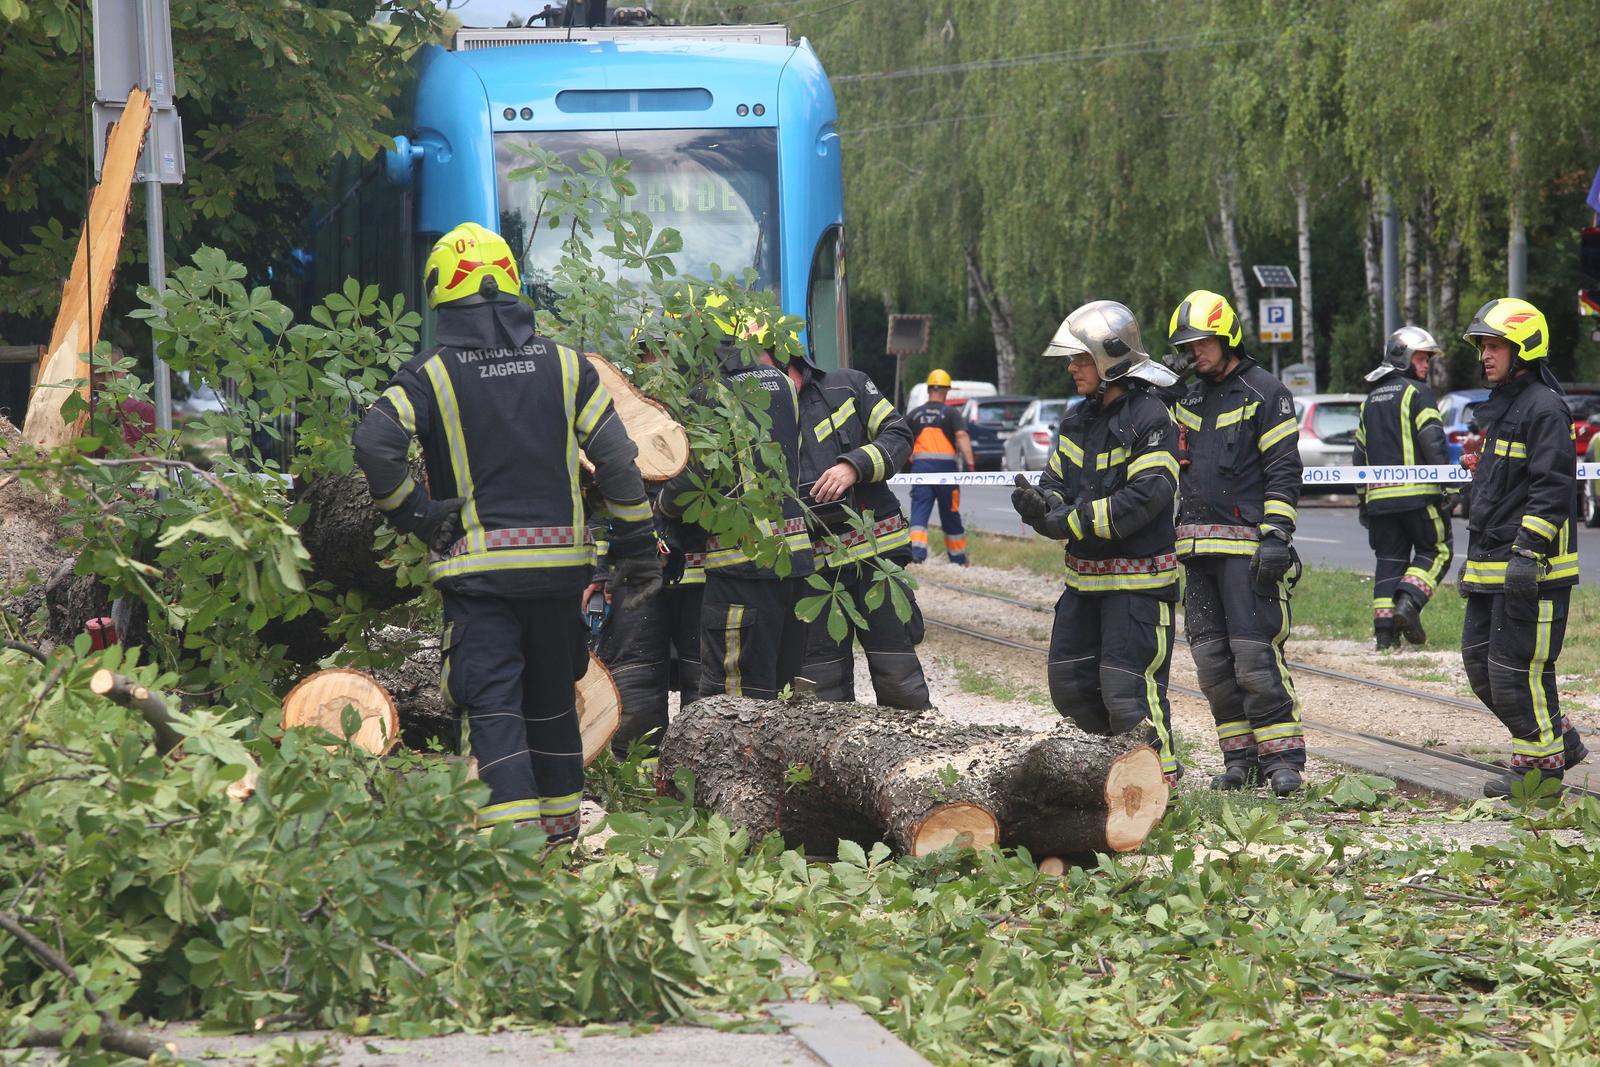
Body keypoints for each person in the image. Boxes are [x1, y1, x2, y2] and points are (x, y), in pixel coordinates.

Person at [353, 222, 661, 840]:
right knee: (552, 703)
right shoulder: (569, 368)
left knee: (493, 707)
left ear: (442, 294)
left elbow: (374, 443)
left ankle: (511, 856)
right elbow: (621, 460)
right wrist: (634, 546)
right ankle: (558, 842)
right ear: (513, 284)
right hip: (558, 580)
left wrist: (417, 514)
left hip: (481, 582)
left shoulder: (430, 375)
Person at [1012, 301, 1184, 786]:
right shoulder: (1077, 420)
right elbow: (1058, 481)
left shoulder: (1152, 417)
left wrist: (1073, 520)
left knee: (1128, 692)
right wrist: (1040, 503)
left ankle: (1160, 784)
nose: (1071, 369)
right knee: (1069, 686)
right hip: (1083, 585)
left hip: (1138, 586)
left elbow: (1146, 497)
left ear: (1110, 362)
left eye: (1080, 359)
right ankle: (1114, 777)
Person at [1167, 289, 1306, 796]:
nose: (1194, 352)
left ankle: (1283, 762)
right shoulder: (1189, 395)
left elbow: (1284, 470)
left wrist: (1277, 533)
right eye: (1188, 345)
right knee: (1212, 665)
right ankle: (1239, 759)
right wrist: (1159, 388)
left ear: (1226, 337)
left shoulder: (1266, 391)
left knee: (1255, 659)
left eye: (1201, 342)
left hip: (1249, 551)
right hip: (1197, 551)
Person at [1458, 297, 1587, 797]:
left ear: (1524, 349)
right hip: (1491, 563)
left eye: (1496, 347)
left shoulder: (1545, 407)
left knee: (1517, 673)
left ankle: (1541, 774)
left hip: (1531, 567)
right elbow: (1513, 482)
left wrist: (1529, 551)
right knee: (1481, 669)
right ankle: (1561, 741)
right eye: (1484, 347)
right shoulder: (1507, 406)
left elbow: (1553, 487)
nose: (1486, 356)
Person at [657, 308, 814, 700]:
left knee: (735, 697)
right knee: (782, 689)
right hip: (791, 560)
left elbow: (692, 479)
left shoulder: (708, 394)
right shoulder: (781, 382)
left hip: (741, 566)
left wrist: (661, 506)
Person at [587, 317, 705, 766]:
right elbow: (595, 501)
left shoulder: (707, 411)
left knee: (703, 684)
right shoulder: (616, 411)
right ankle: (635, 782)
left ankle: (698, 779)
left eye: (664, 352)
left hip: (699, 568)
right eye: (648, 354)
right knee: (635, 679)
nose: (657, 363)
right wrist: (599, 573)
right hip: (633, 572)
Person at [789, 347, 929, 708]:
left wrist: (853, 466)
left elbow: (898, 435)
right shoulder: (760, 413)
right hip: (816, 574)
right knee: (821, 689)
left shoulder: (848, 385)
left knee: (898, 677)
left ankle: (917, 756)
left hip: (876, 559)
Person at [1354, 327, 1455, 650]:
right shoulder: (1418, 393)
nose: (1426, 366)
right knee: (1438, 550)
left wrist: (1362, 502)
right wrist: (1447, 485)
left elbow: (1358, 457)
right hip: (1418, 495)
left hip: (1379, 500)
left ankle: (1385, 635)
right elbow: (1433, 441)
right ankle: (1408, 604)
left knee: (1389, 560)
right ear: (1403, 358)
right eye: (1421, 358)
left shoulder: (1368, 401)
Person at [907, 369, 976, 565]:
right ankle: (958, 558)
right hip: (947, 473)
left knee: (919, 511)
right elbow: (962, 437)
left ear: (929, 389)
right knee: (950, 512)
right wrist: (970, 465)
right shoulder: (951, 413)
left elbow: (902, 441)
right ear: (946, 390)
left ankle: (916, 555)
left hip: (921, 471)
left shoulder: (914, 415)